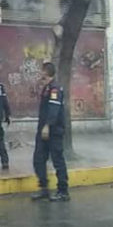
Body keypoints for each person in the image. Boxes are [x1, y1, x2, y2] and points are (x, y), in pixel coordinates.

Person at [31, 62, 70, 202]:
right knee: (38, 159)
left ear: (47, 73)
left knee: (57, 160)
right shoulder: (47, 88)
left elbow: (54, 110)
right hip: (43, 130)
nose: (40, 74)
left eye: (42, 72)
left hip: (54, 130)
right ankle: (44, 189)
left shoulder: (55, 89)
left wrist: (47, 126)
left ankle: (63, 191)